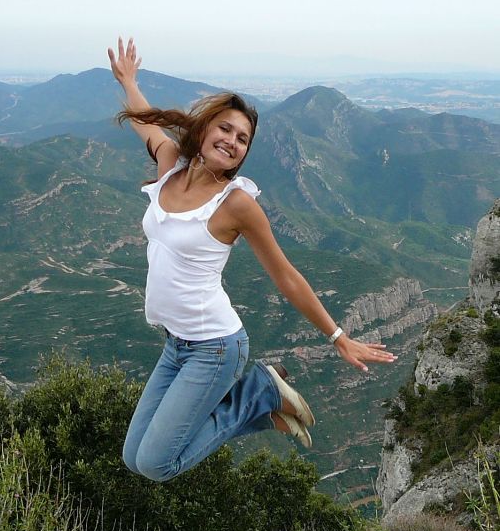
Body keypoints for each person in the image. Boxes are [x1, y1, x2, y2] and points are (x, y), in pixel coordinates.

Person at [108, 37, 397, 483]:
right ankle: (261, 402)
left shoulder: (236, 203)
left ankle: (260, 390)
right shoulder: (171, 166)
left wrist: (338, 336)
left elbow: (286, 275)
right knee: (133, 457)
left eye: (242, 139)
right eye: (225, 129)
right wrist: (129, 81)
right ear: (204, 129)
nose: (232, 141)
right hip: (176, 344)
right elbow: (145, 122)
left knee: (156, 464)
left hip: (214, 347)